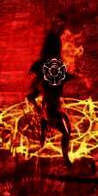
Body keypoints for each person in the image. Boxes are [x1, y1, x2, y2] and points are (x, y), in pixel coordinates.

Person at [27, 23, 73, 167]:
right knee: (66, 132)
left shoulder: (48, 67)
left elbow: (33, 91)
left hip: (50, 106)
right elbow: (33, 92)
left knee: (63, 127)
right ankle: (65, 158)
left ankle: (43, 129)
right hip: (51, 109)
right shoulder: (49, 70)